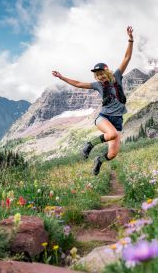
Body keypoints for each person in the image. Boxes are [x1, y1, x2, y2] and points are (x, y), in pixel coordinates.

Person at [52, 26, 133, 175]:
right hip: (103, 118)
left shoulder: (117, 76)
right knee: (113, 134)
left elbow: (127, 58)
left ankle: (99, 160)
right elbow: (78, 84)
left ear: (107, 72)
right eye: (97, 75)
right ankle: (89, 145)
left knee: (113, 154)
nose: (100, 77)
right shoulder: (97, 85)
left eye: (102, 74)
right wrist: (61, 77)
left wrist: (130, 39)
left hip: (117, 120)